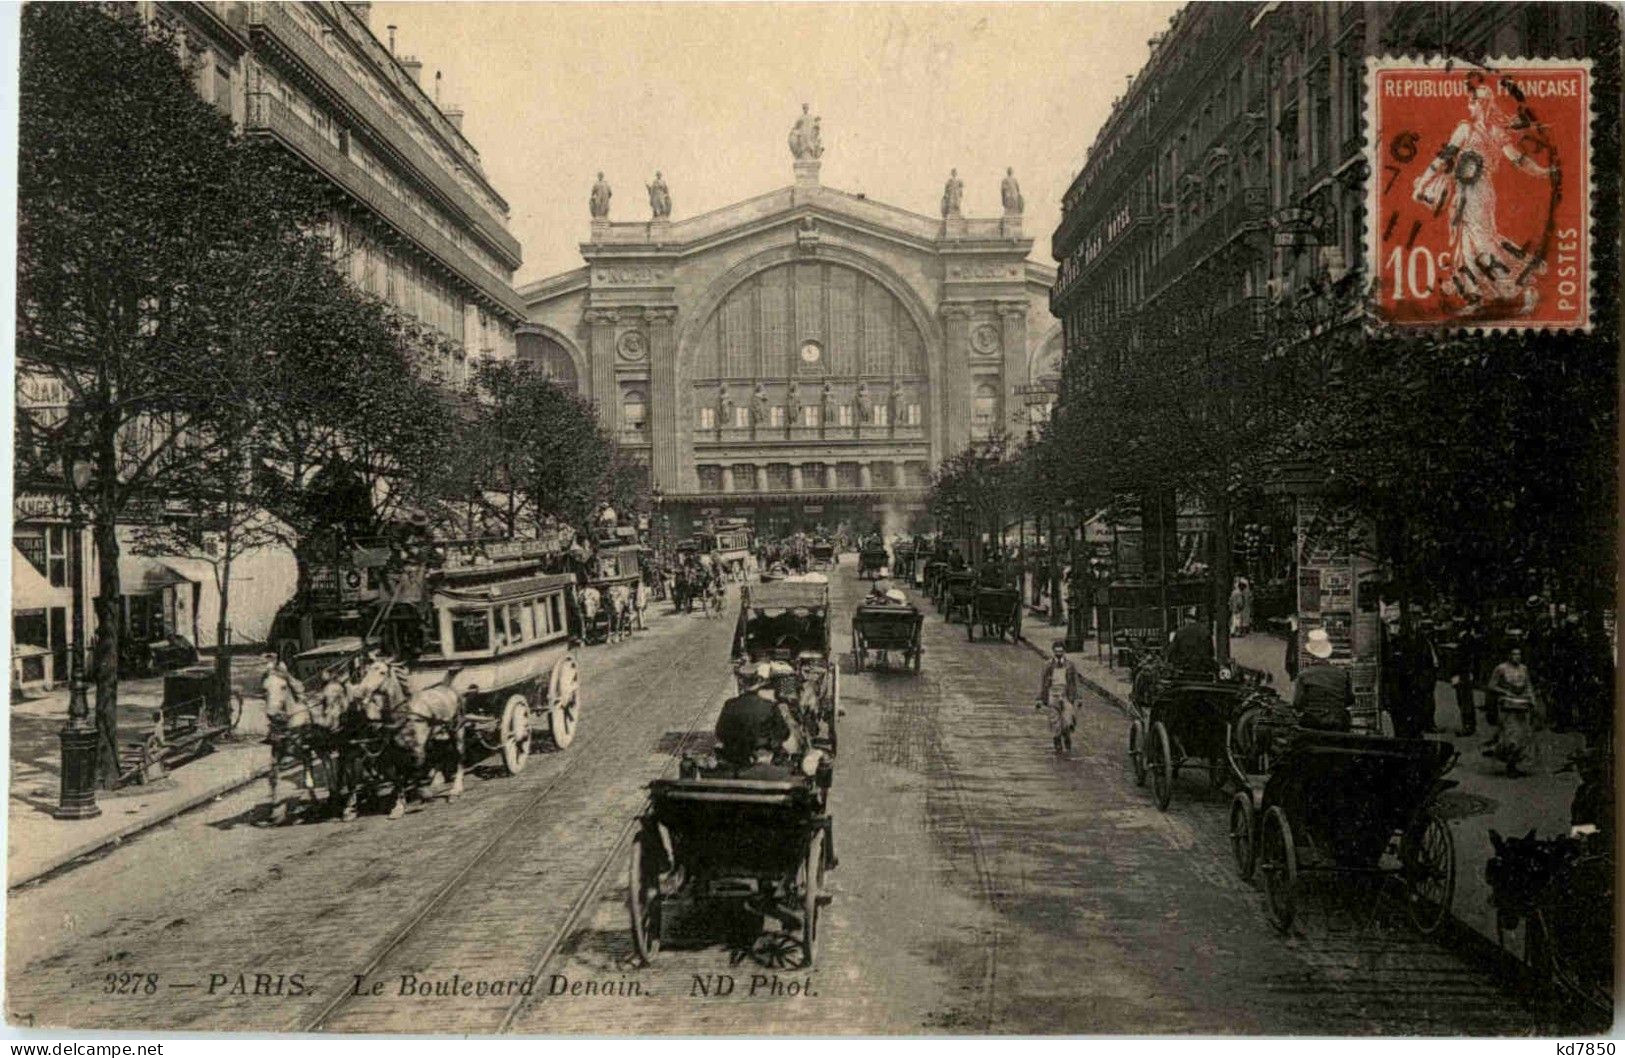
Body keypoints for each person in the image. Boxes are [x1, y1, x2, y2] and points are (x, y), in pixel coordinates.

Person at [715, 662, 800, 774]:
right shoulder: (769, 706)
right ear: (758, 682)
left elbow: (720, 732)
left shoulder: (729, 704)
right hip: (763, 756)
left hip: (736, 757)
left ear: (741, 682)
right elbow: (784, 733)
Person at [1486, 643, 1539, 777]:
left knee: (1523, 737)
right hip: (1507, 706)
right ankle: (1509, 763)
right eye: (1514, 654)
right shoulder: (1501, 668)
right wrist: (1505, 692)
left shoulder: (1523, 669)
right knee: (1511, 737)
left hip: (1522, 705)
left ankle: (1514, 763)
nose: (1517, 657)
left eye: (1519, 654)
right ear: (1509, 655)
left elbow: (1528, 685)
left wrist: (1532, 700)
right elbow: (1491, 685)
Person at [1291, 629, 1353, 732]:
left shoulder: (1304, 675)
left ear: (1311, 655)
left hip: (1313, 723)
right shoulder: (1342, 673)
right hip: (1338, 722)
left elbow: (1297, 704)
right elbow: (1349, 700)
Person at [1036, 639, 1081, 755]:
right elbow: (1042, 682)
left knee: (1067, 720)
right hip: (1052, 695)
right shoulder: (1048, 665)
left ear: (1064, 652)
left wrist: (1078, 697)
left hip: (1066, 695)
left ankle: (1066, 736)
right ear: (1053, 652)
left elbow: (1075, 682)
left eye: (1061, 651)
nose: (1059, 654)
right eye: (1056, 652)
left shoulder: (1070, 665)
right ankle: (1057, 742)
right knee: (1055, 721)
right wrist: (1039, 699)